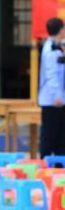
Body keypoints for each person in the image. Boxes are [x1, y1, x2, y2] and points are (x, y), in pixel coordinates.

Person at [38, 16, 65, 158]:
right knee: (49, 136)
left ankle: (60, 168)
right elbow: (51, 76)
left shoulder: (58, 45)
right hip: (52, 101)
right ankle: (45, 166)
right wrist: (58, 96)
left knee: (61, 138)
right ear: (61, 30)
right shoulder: (50, 49)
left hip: (60, 100)